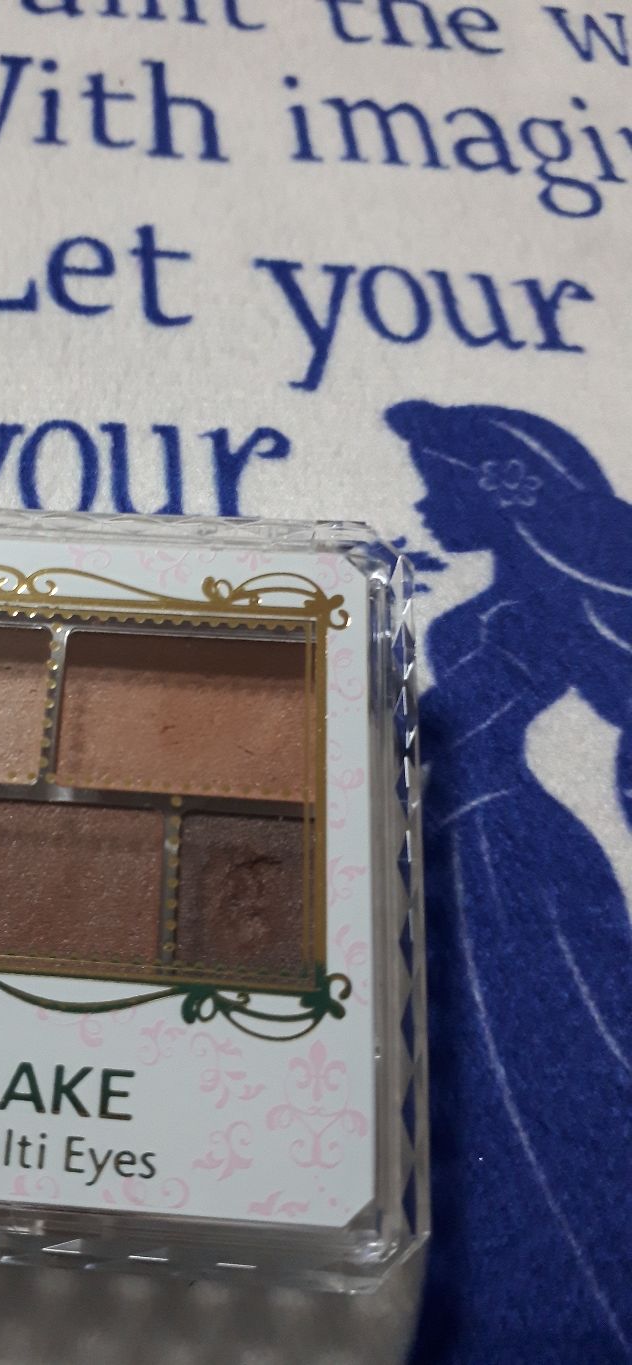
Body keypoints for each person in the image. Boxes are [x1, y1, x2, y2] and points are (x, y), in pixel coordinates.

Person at [386, 400, 632, 1364]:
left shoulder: (529, 611)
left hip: (509, 868)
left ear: (500, 493)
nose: (421, 503)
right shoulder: (496, 607)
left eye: (434, 484)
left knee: (533, 1082)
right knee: (476, 1092)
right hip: (463, 852)